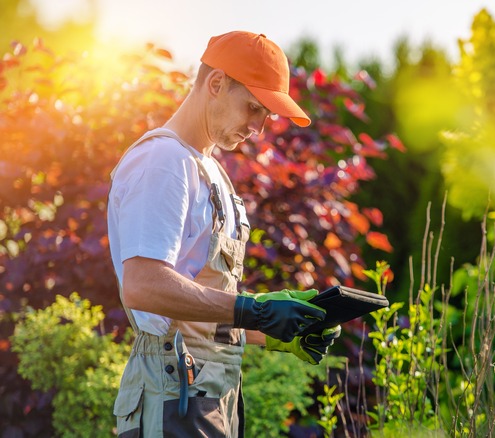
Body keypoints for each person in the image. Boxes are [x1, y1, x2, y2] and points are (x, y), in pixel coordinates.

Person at [108, 30, 340, 437]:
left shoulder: (212, 172)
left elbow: (203, 315)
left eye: (267, 116)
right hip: (172, 393)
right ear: (215, 84)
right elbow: (143, 286)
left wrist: (275, 331)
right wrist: (256, 309)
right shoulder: (164, 161)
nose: (259, 128)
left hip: (210, 393)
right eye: (253, 108)